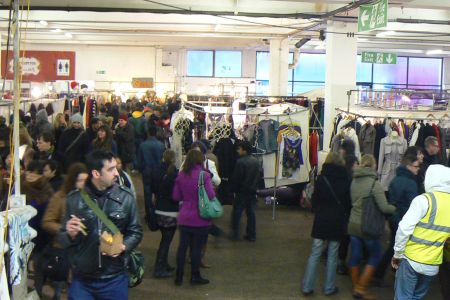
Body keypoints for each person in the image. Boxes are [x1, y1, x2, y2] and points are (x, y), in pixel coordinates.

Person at [59, 150, 143, 300]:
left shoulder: (126, 197)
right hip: (82, 281)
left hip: (114, 278)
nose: (117, 173)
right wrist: (70, 235)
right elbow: (62, 238)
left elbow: (136, 231)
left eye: (116, 168)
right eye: (111, 169)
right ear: (96, 174)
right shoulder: (74, 200)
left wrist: (124, 246)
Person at [392, 165, 450, 299]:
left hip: (411, 260)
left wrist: (397, 253)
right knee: (416, 297)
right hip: (432, 264)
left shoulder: (424, 200)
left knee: (403, 297)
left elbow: (404, 229)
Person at [301, 152, 351, 297]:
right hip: (337, 220)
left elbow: (315, 200)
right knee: (333, 254)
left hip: (322, 219)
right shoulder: (346, 179)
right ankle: (329, 287)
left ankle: (307, 286)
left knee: (315, 252)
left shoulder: (322, 178)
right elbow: (348, 203)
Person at [348, 154, 396, 299]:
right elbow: (384, 207)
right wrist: (396, 208)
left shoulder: (354, 181)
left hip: (353, 224)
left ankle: (356, 287)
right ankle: (361, 289)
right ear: (374, 166)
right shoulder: (375, 184)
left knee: (355, 256)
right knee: (375, 255)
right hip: (367, 226)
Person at [41, 163, 88, 300]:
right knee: (62, 289)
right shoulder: (60, 198)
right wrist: (65, 228)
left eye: (86, 180)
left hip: (84, 251)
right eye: (80, 180)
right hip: (64, 249)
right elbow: (47, 221)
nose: (83, 184)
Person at [374, 152, 420, 286]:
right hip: (403, 221)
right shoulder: (410, 183)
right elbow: (411, 206)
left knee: (394, 247)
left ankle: (383, 272)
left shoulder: (396, 179)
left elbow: (393, 201)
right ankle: (382, 273)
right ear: (409, 166)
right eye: (416, 166)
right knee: (396, 248)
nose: (418, 168)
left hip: (396, 219)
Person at [172, 149, 215, 286]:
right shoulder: (204, 176)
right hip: (200, 218)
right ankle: (194, 276)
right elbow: (211, 195)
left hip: (184, 216)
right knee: (196, 248)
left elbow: (176, 196)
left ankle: (178, 277)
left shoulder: (181, 175)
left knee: (182, 247)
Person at [153, 150, 179, 278]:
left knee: (164, 240)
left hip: (159, 208)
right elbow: (176, 194)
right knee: (166, 241)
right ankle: (159, 268)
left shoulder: (157, 170)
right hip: (170, 211)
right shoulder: (174, 173)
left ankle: (164, 264)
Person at [230, 141, 260, 242]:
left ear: (244, 150)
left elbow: (236, 178)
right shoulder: (256, 161)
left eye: (239, 149)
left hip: (241, 191)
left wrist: (233, 190)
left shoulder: (240, 162)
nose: (238, 150)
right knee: (251, 213)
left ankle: (235, 234)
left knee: (237, 213)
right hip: (252, 191)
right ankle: (252, 235)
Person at [138, 125, 165, 225]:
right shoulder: (161, 145)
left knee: (147, 194)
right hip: (158, 171)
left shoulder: (143, 145)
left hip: (147, 170)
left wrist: (140, 169)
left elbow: (139, 160)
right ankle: (158, 213)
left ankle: (149, 215)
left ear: (148, 133)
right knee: (158, 192)